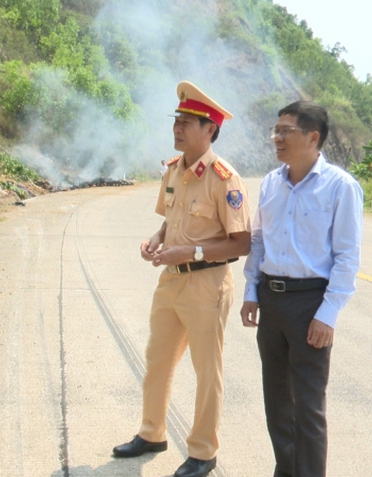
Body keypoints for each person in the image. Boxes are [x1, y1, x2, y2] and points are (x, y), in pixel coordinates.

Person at [112, 81, 252, 477]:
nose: (178, 128)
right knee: (158, 360)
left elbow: (241, 243)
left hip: (206, 285)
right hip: (171, 281)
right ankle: (151, 432)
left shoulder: (225, 179)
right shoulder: (173, 171)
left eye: (188, 122)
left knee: (207, 371)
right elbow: (168, 220)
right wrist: (154, 241)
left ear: (210, 130)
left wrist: (188, 252)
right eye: (176, 120)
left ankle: (204, 451)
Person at [239, 101, 363, 477]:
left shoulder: (340, 187)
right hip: (272, 301)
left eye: (285, 131)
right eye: (275, 130)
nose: (276, 138)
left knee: (307, 406)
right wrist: (250, 291)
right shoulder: (271, 183)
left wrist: (328, 314)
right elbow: (258, 241)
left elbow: (347, 257)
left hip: (311, 302)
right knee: (277, 401)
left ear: (312, 137)